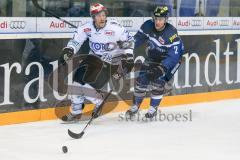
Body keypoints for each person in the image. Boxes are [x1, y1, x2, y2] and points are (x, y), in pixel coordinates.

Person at [60, 3, 134, 122]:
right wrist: (69, 50)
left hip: (111, 60)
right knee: (76, 84)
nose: (102, 18)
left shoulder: (115, 27)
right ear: (93, 17)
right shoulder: (87, 28)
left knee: (87, 88)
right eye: (98, 16)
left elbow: (129, 41)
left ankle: (99, 101)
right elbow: (76, 41)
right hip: (93, 57)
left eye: (103, 15)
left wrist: (129, 57)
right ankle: (76, 112)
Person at [126, 6, 184, 119]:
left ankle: (153, 109)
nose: (157, 22)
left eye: (161, 19)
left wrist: (162, 68)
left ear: (166, 19)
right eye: (156, 18)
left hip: (171, 60)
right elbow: (138, 39)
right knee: (141, 79)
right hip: (153, 56)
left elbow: (174, 56)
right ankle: (135, 107)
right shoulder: (148, 25)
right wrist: (127, 48)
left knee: (158, 81)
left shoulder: (171, 33)